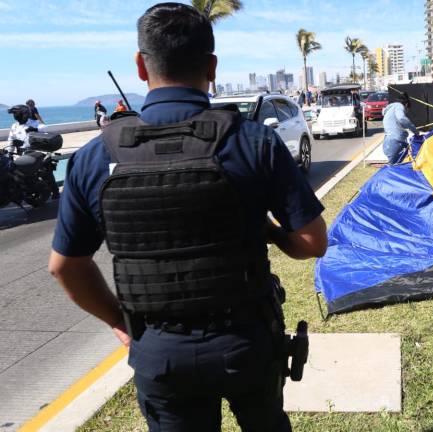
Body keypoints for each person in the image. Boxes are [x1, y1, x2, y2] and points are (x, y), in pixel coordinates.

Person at [48, 3, 327, 431]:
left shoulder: (93, 157)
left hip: (158, 349)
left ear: (141, 67)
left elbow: (65, 266)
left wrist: (117, 322)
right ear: (211, 66)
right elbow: (312, 242)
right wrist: (271, 233)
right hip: (246, 341)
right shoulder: (254, 142)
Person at [381, 92, 419, 164]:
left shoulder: (391, 109)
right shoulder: (399, 106)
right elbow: (402, 118)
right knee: (393, 166)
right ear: (406, 105)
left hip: (388, 142)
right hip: (394, 141)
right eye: (407, 110)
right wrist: (415, 131)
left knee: (395, 164)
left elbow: (398, 123)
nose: (406, 112)